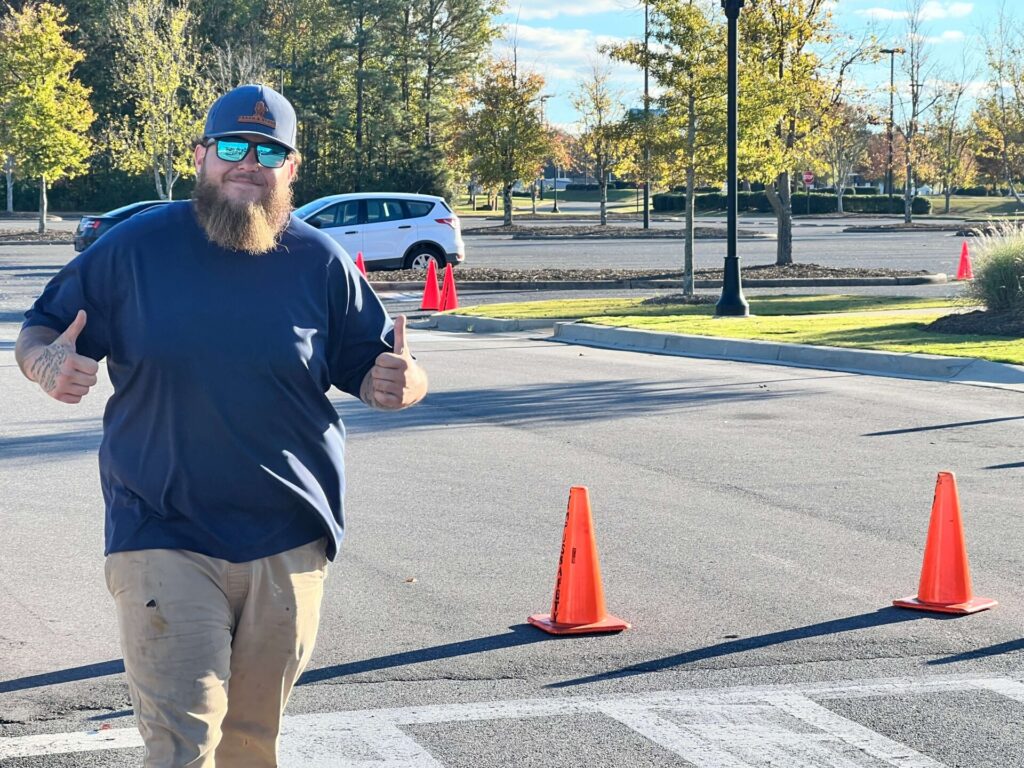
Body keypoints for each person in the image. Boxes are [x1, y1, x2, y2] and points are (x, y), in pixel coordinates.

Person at [15, 83, 428, 767]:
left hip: (287, 539)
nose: (248, 163)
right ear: (202, 155)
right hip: (162, 530)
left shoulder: (317, 261)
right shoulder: (136, 248)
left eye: (269, 151)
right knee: (181, 747)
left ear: (292, 169)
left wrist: (403, 384)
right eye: (232, 146)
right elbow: (41, 331)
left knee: (249, 747)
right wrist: (46, 365)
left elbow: (385, 366)